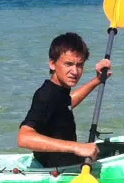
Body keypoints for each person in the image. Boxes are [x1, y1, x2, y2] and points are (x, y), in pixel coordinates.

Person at [18, 32, 112, 167]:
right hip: (58, 167)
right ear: (52, 64)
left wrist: (97, 80)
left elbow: (67, 103)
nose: (75, 71)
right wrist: (77, 147)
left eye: (79, 65)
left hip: (66, 159)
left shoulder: (58, 91)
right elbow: (24, 137)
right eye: (68, 64)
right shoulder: (45, 95)